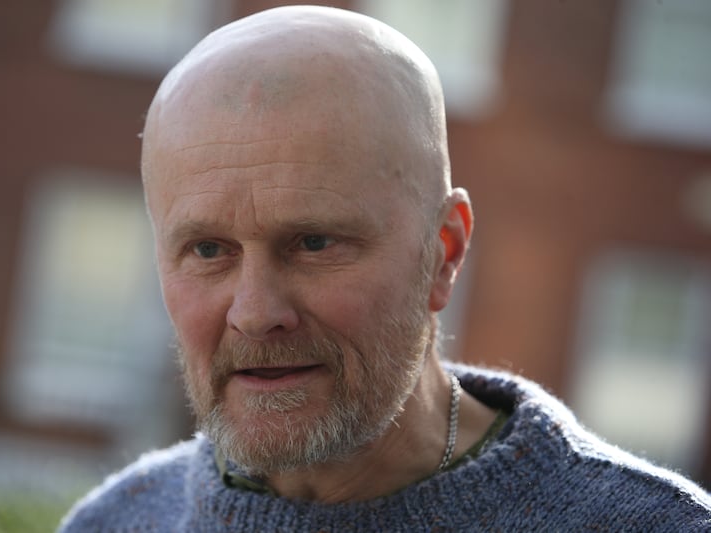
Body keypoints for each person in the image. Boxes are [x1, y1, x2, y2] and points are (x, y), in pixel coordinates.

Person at [59, 5, 710, 531]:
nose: (255, 311)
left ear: (445, 251)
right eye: (207, 250)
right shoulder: (115, 520)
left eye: (313, 242)